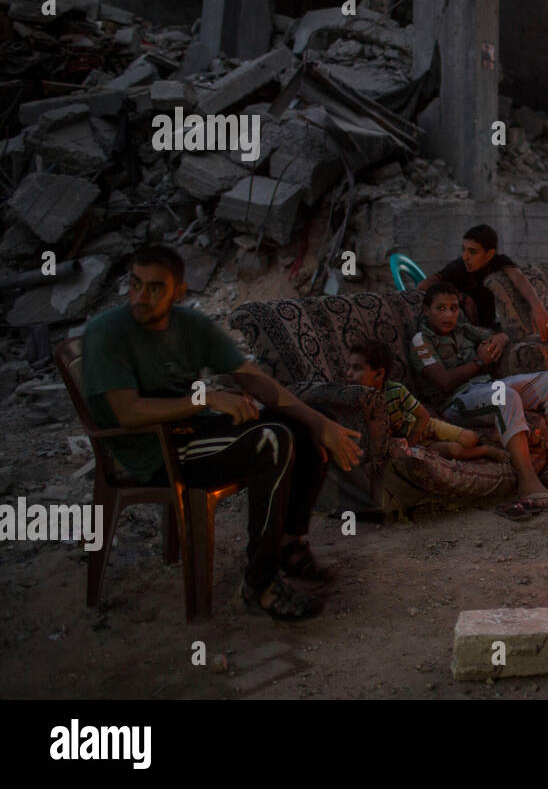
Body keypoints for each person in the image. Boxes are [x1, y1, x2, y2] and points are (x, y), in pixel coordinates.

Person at [82, 245, 363, 620]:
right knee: (272, 440)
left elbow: (254, 379)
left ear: (179, 292)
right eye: (134, 284)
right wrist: (206, 398)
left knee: (306, 425)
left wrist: (320, 423)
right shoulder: (108, 332)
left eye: (154, 288)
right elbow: (129, 413)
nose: (140, 297)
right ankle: (261, 585)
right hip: (152, 450)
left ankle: (290, 545)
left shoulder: (189, 325)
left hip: (189, 432)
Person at [410, 282, 548, 519]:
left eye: (453, 308)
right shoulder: (421, 340)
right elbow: (444, 382)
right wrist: (478, 362)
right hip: (456, 402)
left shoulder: (463, 330)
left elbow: (500, 335)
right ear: (427, 311)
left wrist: (500, 339)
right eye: (441, 308)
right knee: (505, 395)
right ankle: (528, 483)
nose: (448, 315)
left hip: (485, 387)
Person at [345, 340, 506, 462]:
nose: (348, 374)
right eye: (349, 367)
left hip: (425, 428)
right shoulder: (356, 400)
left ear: (379, 374)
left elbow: (423, 417)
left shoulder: (396, 391)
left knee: (469, 439)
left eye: (357, 368)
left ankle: (482, 440)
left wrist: (411, 441)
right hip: (414, 444)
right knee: (454, 450)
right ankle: (485, 451)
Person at [416, 224, 548, 339]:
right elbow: (423, 285)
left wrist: (537, 308)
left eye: (472, 252)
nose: (465, 257)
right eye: (464, 250)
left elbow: (519, 278)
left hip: (491, 327)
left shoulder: (498, 262)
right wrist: (459, 297)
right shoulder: (458, 267)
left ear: (489, 254)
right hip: (463, 332)